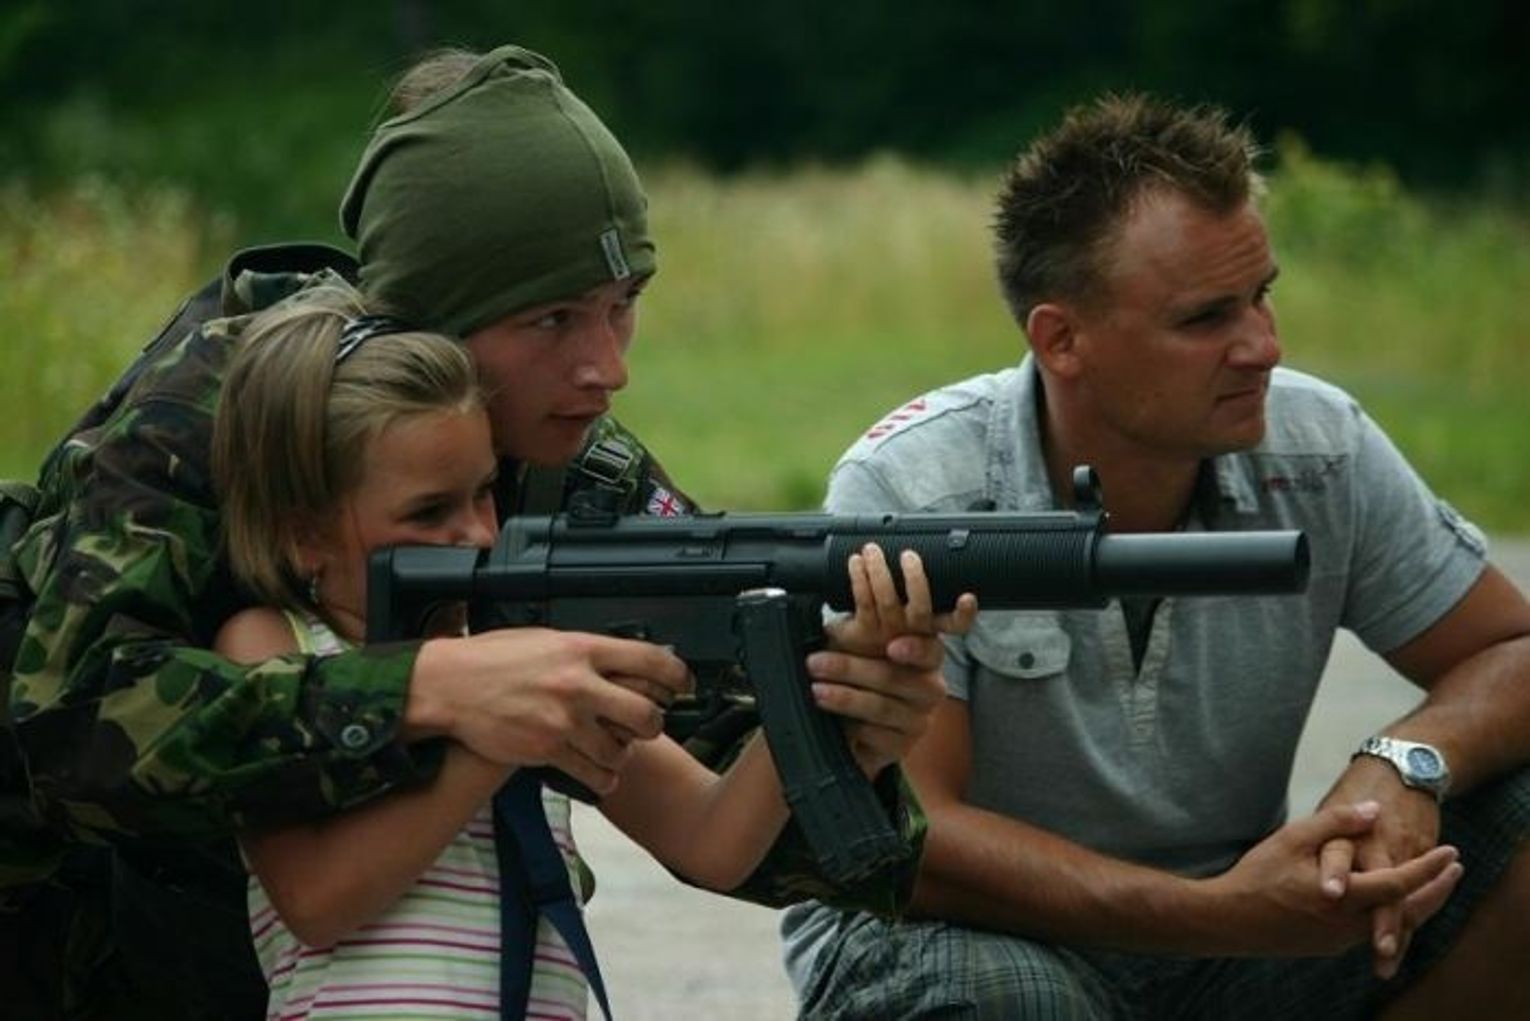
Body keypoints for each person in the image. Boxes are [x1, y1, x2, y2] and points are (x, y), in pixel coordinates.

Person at [3, 45, 953, 1019]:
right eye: (552, 319)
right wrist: (434, 691)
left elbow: (731, 823)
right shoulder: (235, 408)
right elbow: (75, 735)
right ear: (428, 320)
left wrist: (845, 723)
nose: (608, 367)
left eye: (622, 306)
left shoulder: (579, 475)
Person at [781, 92, 1530, 1019]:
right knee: (1014, 1002)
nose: (1264, 346)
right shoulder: (917, 490)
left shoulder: (1320, 449)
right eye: (1206, 318)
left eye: (1262, 294)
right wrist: (1223, 913)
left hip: (1241, 940)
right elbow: (916, 835)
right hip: (974, 935)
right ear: (1062, 340)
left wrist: (1405, 762)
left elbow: (1512, 651)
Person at [210, 284, 965, 1020]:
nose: (476, 532)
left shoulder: (509, 646)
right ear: (303, 533)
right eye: (429, 511)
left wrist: (831, 690)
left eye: (484, 492)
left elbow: (711, 839)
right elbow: (316, 901)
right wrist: (498, 735)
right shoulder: (274, 646)